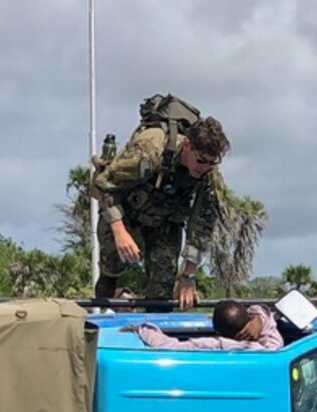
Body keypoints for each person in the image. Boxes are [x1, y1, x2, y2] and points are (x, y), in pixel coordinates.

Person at [92, 110, 229, 309]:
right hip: (126, 212)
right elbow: (106, 183)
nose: (206, 167)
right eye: (201, 161)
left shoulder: (208, 174)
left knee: (161, 291)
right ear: (188, 146)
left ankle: (156, 334)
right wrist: (120, 231)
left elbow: (203, 224)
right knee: (112, 267)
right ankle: (107, 306)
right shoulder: (149, 151)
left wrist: (189, 276)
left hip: (165, 221)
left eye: (212, 162)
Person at [130, 300, 281, 351]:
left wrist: (143, 329)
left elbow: (170, 347)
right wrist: (258, 319)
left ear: (218, 332)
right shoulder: (271, 347)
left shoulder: (215, 345)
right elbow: (269, 317)